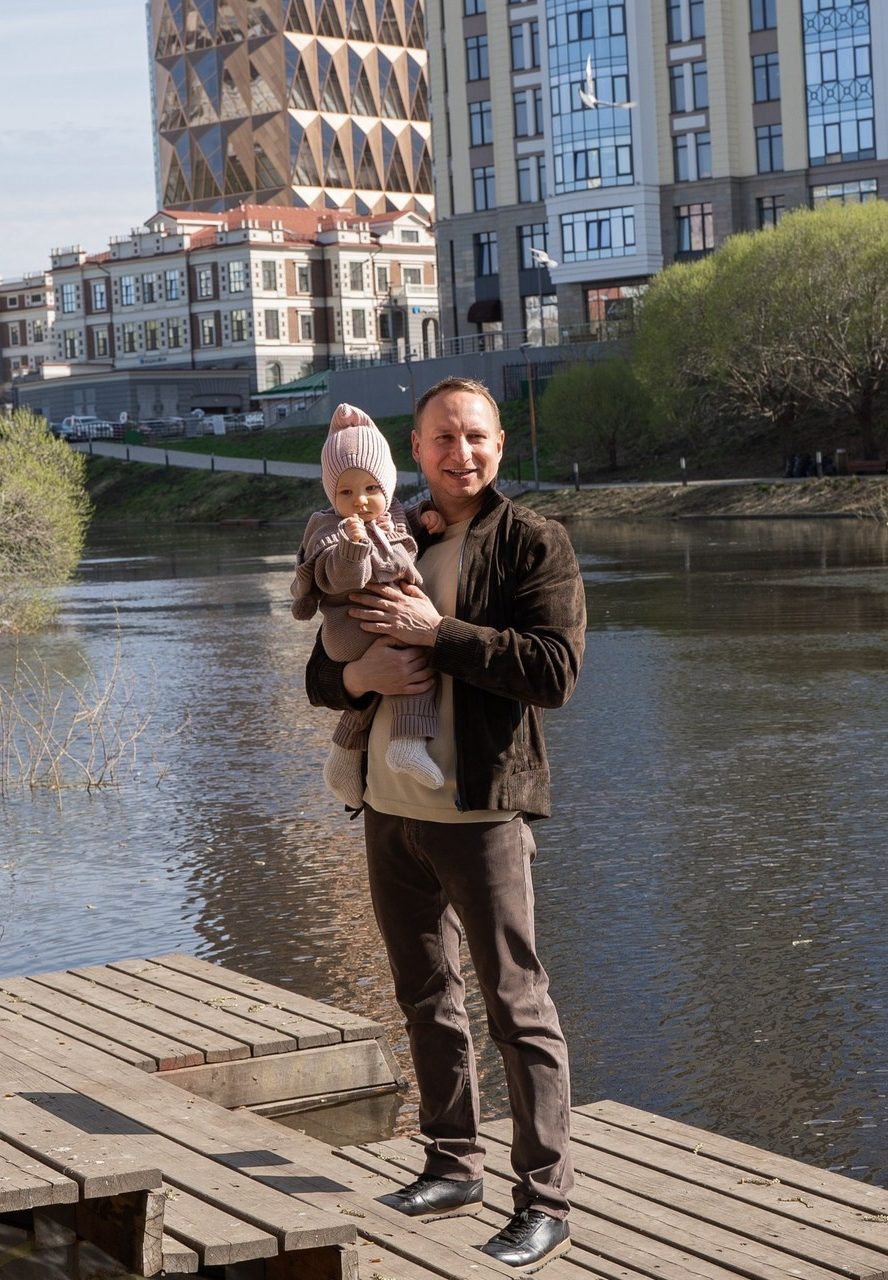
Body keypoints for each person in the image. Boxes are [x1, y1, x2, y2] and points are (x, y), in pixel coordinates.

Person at [305, 376, 586, 1271]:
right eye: (440, 439)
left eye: (475, 437)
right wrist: (363, 680)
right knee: (427, 997)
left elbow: (553, 672)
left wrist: (438, 631)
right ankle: (451, 1162)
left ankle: (545, 1202)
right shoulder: (388, 533)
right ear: (414, 448)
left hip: (482, 811)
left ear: (499, 445)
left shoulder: (534, 542)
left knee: (516, 1005)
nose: (459, 453)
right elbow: (321, 672)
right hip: (387, 810)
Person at [292, 403, 445, 808]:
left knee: (399, 662)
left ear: (387, 488)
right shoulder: (333, 532)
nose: (360, 501)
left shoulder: (390, 515)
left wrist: (424, 516)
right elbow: (334, 578)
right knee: (416, 653)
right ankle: (407, 741)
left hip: (370, 624)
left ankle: (344, 756)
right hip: (349, 628)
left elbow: (399, 523)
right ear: (331, 496)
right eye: (346, 492)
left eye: (371, 489)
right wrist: (352, 549)